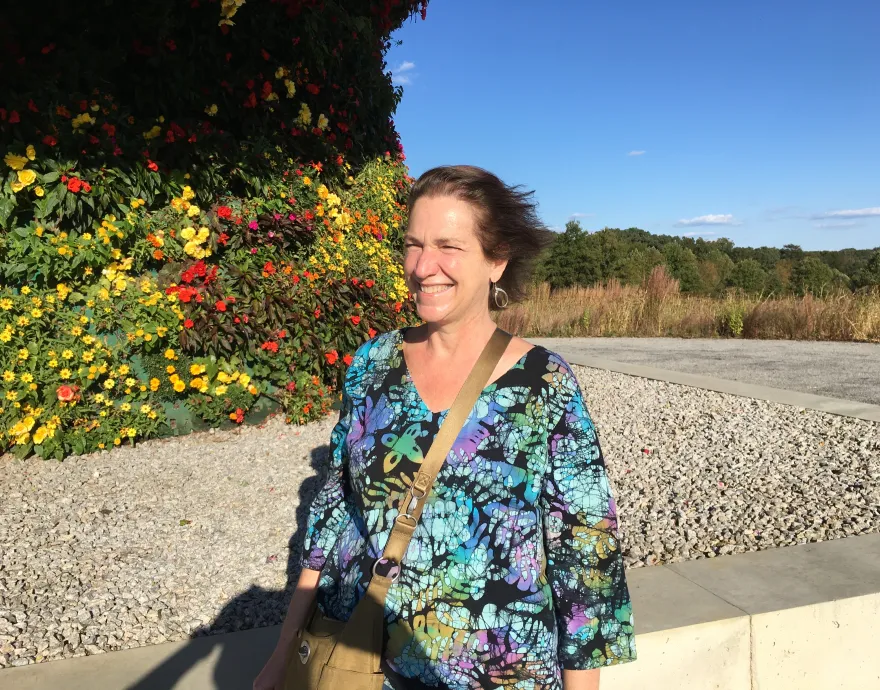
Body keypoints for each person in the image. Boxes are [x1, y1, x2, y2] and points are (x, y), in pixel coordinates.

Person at [255, 165, 636, 690]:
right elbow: (333, 508)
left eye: (448, 246)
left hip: (496, 675)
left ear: (496, 260)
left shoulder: (544, 383)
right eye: (414, 244)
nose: (423, 266)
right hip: (363, 667)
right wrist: (282, 653)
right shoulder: (372, 363)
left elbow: (585, 556)